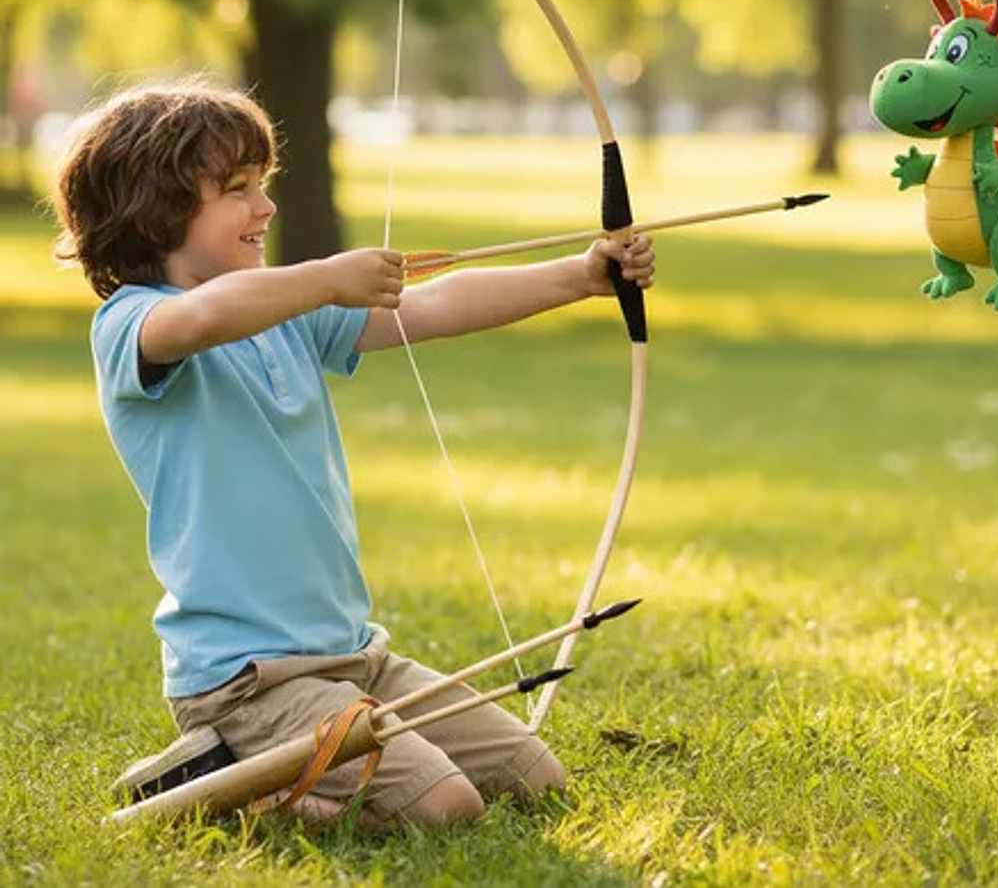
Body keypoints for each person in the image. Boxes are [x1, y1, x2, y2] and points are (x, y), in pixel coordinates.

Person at [51, 83, 654, 832]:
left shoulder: (287, 318)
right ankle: (221, 784)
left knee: (532, 775)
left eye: (262, 187)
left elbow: (432, 305)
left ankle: (296, 755)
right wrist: (325, 278)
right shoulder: (131, 326)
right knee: (445, 808)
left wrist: (581, 277)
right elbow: (198, 320)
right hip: (248, 683)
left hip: (354, 659)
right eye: (237, 190)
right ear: (155, 212)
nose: (265, 207)